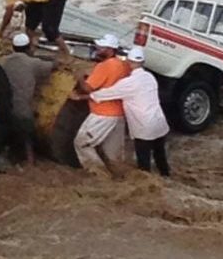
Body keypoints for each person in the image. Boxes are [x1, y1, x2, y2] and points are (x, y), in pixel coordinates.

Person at [90, 46, 170, 177]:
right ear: (143, 62)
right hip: (159, 121)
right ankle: (165, 176)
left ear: (128, 62)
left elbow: (108, 93)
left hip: (143, 126)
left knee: (143, 161)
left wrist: (89, 95)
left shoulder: (129, 82)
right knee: (159, 154)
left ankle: (146, 184)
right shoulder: (150, 77)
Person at [71, 34, 130, 175]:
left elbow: (87, 88)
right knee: (112, 155)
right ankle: (120, 179)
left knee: (81, 143)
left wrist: (79, 77)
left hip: (102, 114)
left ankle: (99, 175)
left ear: (110, 50)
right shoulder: (123, 65)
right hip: (119, 114)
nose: (97, 48)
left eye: (101, 47)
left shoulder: (104, 66)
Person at [1, 33, 56, 165]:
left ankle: (11, 156)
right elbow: (54, 66)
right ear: (28, 48)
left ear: (13, 47)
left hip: (4, 109)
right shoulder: (33, 63)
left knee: (10, 138)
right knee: (27, 138)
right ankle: (30, 163)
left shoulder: (5, 61)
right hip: (22, 112)